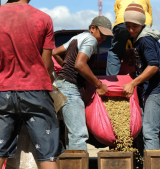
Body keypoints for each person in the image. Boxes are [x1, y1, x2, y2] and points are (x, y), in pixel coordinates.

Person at [0, 0, 65, 168]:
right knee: (48, 156)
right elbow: (47, 64)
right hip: (36, 90)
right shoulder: (43, 18)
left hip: (1, 90)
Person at [52, 16, 113, 151]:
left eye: (106, 35)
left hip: (60, 86)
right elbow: (80, 65)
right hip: (69, 89)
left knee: (70, 134)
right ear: (93, 28)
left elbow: (55, 52)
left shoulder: (78, 37)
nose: (103, 38)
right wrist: (99, 85)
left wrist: (66, 66)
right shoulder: (91, 39)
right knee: (78, 135)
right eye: (102, 33)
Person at [122, 2, 160, 156]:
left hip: (155, 90)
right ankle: (144, 163)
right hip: (147, 90)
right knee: (141, 130)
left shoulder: (145, 40)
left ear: (141, 24)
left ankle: (152, 164)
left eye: (134, 26)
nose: (131, 30)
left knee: (149, 131)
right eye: (128, 26)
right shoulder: (143, 38)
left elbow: (154, 66)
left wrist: (133, 83)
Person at [106, 0, 152, 76]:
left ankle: (112, 80)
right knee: (143, 51)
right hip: (142, 23)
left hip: (122, 21)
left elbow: (117, 14)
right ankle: (142, 79)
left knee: (115, 52)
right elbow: (149, 15)